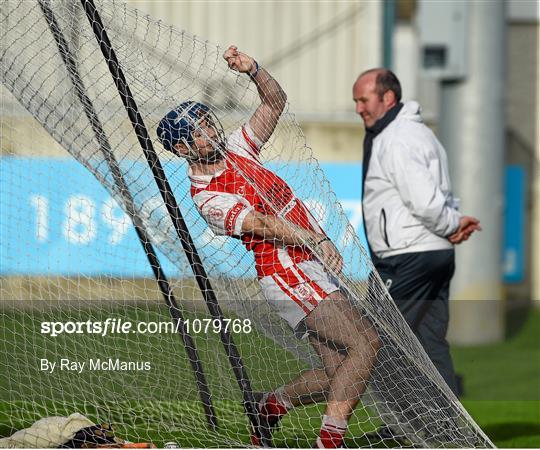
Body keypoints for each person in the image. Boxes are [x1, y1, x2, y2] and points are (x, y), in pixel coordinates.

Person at [157, 46, 380, 448]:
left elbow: (274, 102)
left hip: (305, 265)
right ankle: (330, 441)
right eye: (199, 131)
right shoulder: (207, 196)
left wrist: (253, 70)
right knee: (365, 344)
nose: (211, 133)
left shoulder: (239, 148)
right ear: (183, 150)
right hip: (286, 270)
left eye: (209, 123)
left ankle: (270, 406)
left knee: (338, 371)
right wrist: (315, 237)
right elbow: (261, 224)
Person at [353, 68, 481, 437]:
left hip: (408, 256)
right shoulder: (419, 132)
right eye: (356, 101)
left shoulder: (396, 138)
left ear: (387, 98)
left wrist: (449, 224)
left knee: (373, 342)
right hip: (432, 254)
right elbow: (440, 194)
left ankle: (402, 428)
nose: (359, 108)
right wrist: (451, 224)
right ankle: (446, 429)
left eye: (364, 99)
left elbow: (425, 201)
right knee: (428, 342)